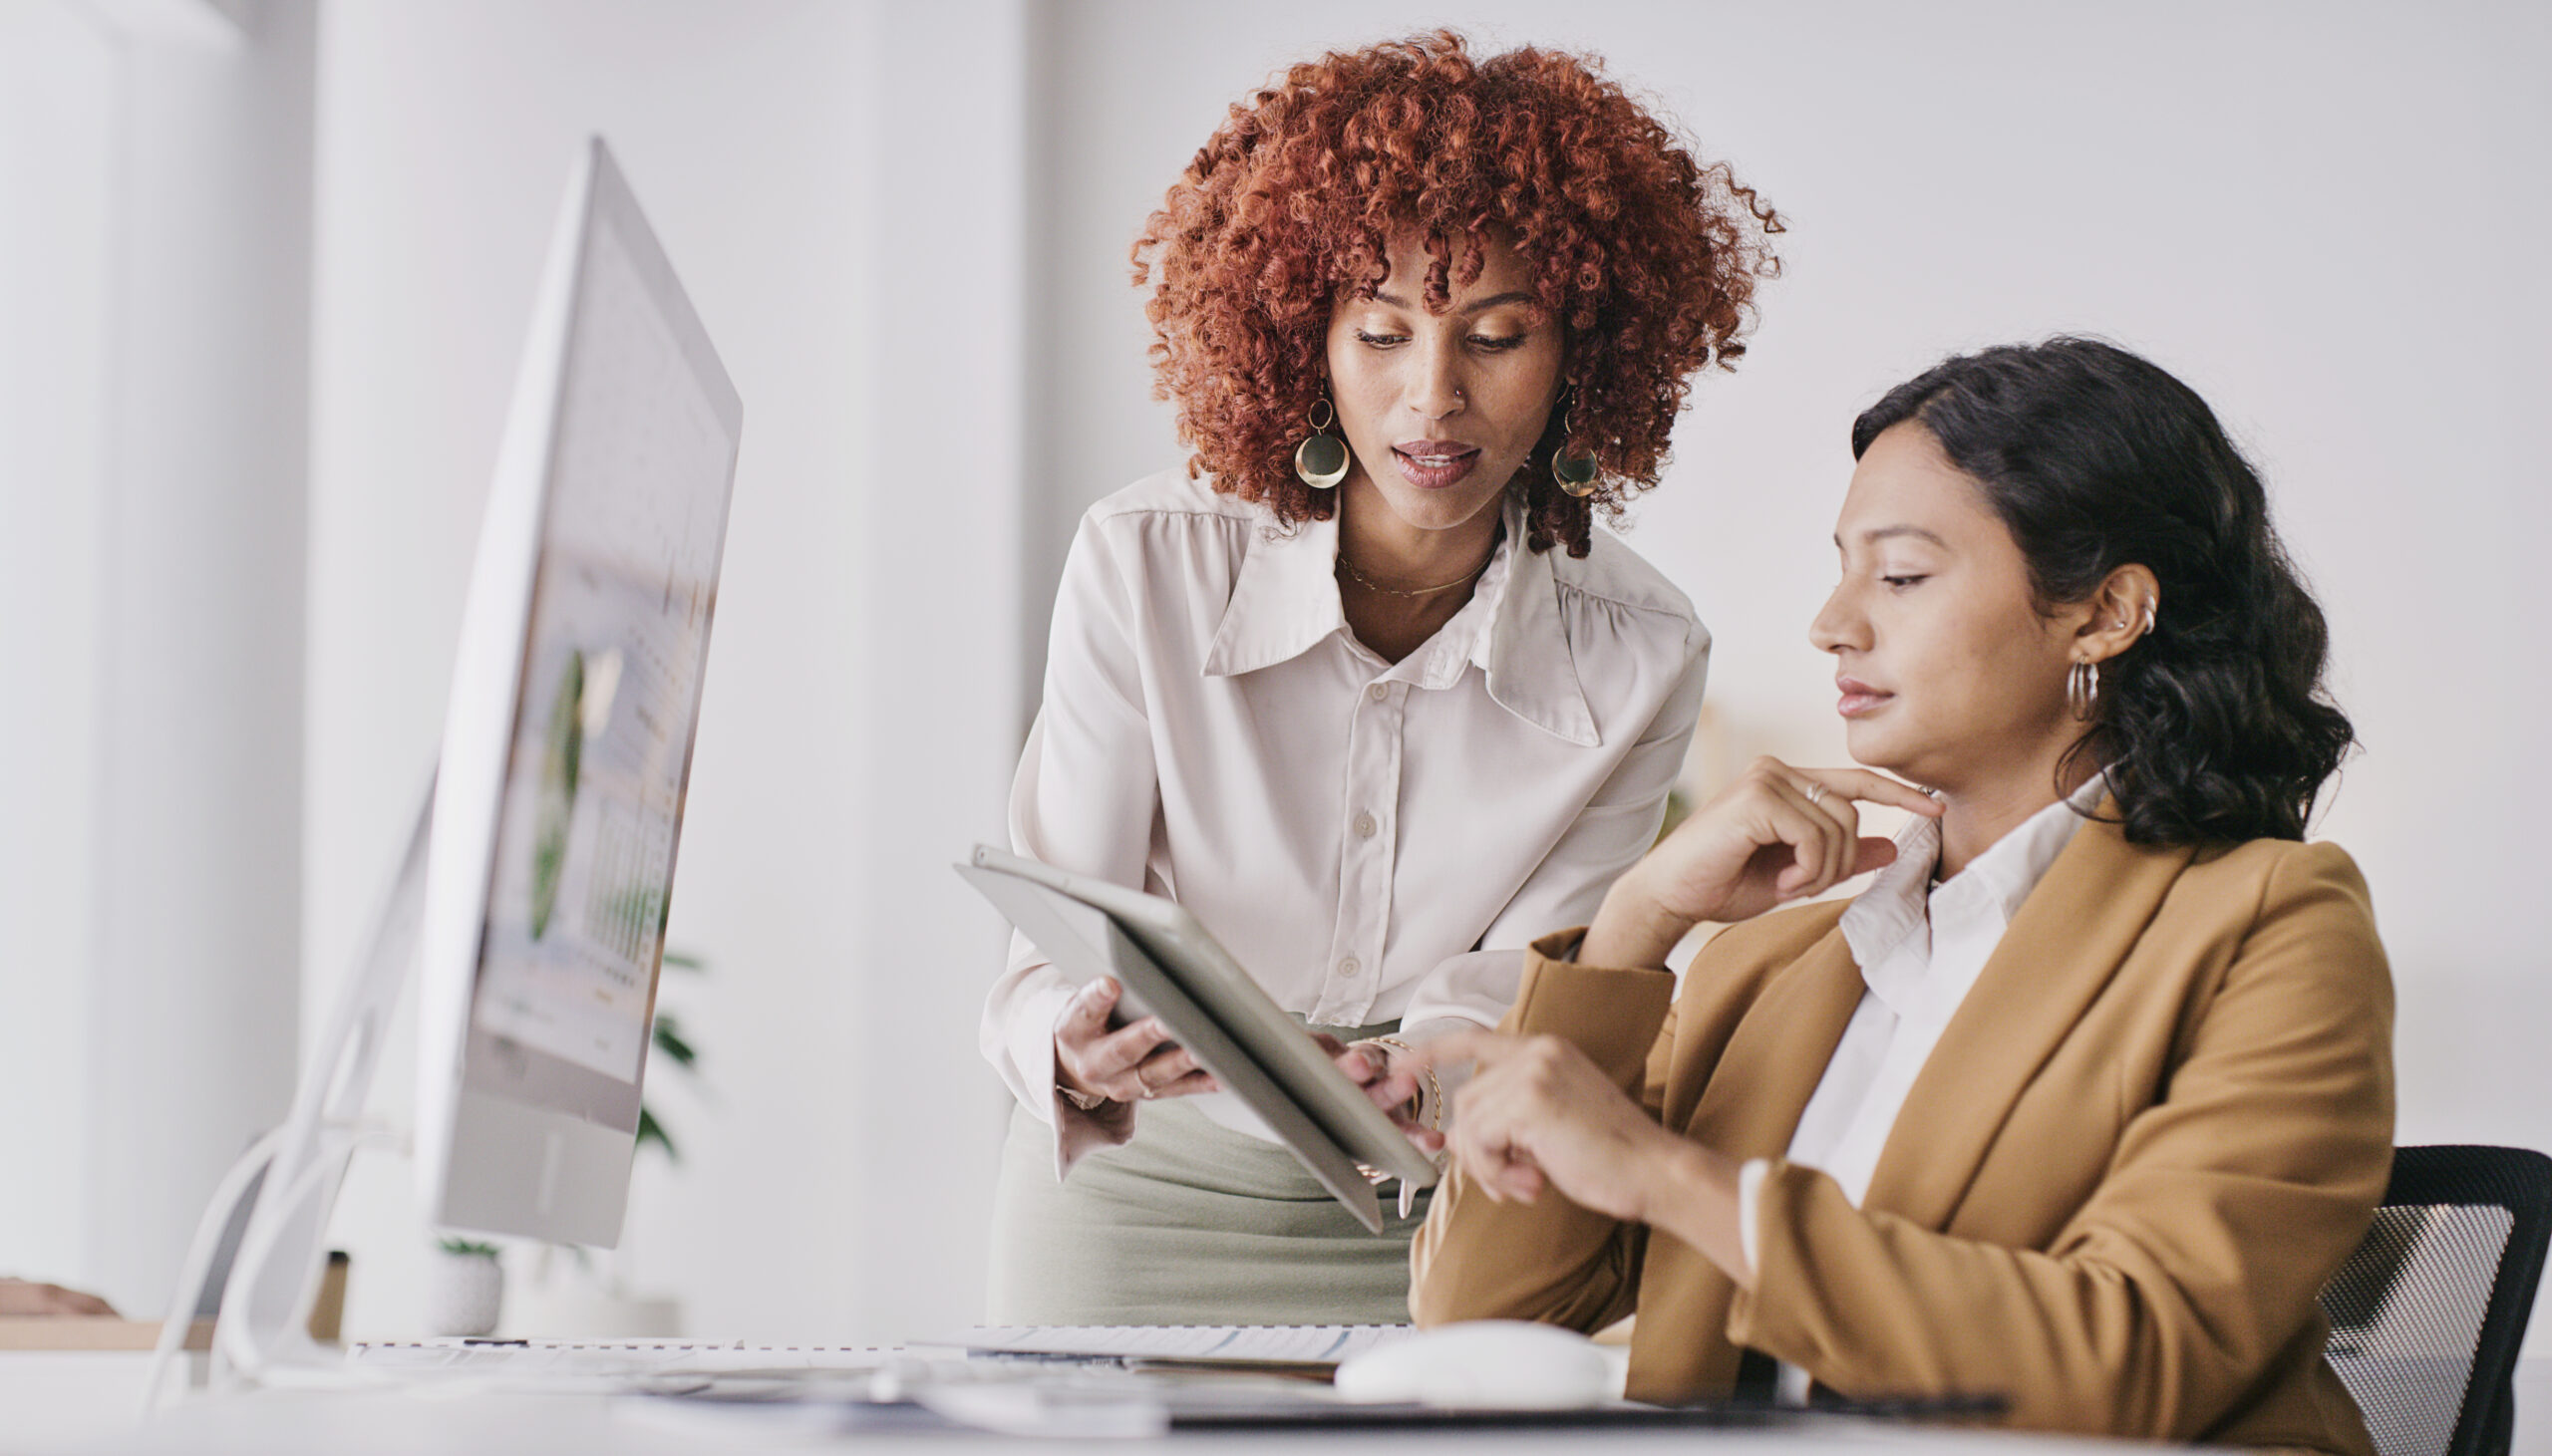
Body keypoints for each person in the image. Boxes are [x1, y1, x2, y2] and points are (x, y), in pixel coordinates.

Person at [1400, 337, 2391, 1453]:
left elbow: (2136, 1362)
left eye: (1902, 575)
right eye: (1842, 568)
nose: (1832, 624)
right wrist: (1634, 929)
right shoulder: (1766, 965)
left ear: (2104, 613)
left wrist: (1669, 1179)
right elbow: (1480, 1325)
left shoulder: (2272, 923)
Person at [980, 31, 1778, 1325]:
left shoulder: (1643, 655)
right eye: (1383, 331)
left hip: (1436, 1214)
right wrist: (1071, 1042)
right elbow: (1053, 945)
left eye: (1498, 335)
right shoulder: (1148, 566)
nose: (1433, 398)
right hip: (1140, 1201)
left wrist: (1435, 1076)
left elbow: (1537, 984)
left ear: (1584, 353)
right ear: (1307, 338)